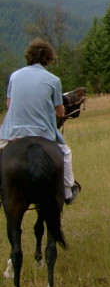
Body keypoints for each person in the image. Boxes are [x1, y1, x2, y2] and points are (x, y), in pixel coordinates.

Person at [0, 38, 81, 204]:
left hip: (14, 132)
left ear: (28, 56)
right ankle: (67, 191)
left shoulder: (14, 76)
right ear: (48, 58)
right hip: (42, 132)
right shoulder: (53, 80)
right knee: (65, 153)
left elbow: (9, 104)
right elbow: (60, 111)